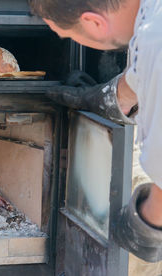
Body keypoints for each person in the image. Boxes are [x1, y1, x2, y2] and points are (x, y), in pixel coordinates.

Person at [28, 0, 162, 262]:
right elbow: (135, 80)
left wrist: (143, 225)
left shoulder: (156, 41)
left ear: (93, 23)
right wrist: (98, 99)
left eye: (68, 35)